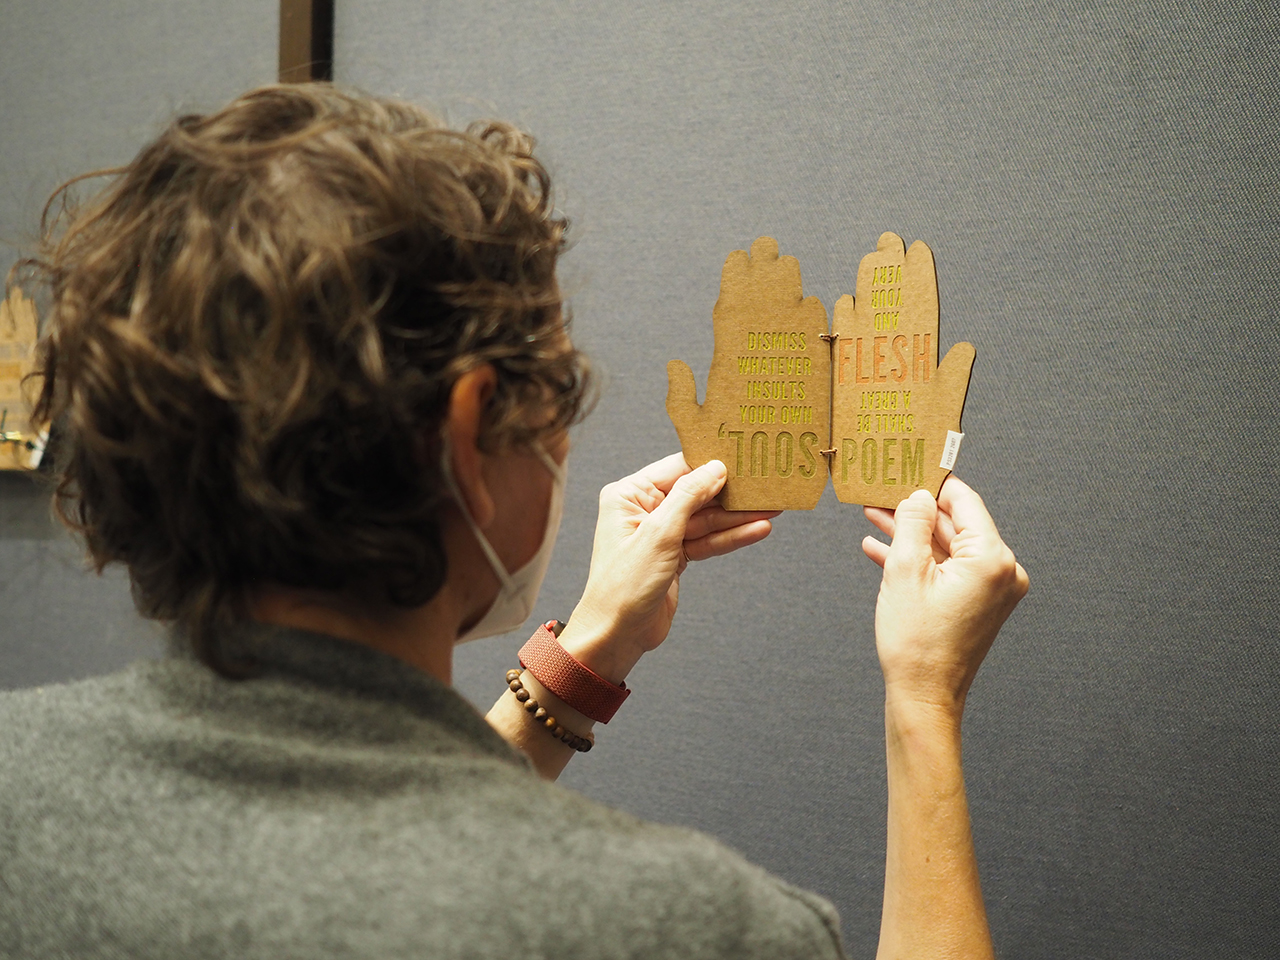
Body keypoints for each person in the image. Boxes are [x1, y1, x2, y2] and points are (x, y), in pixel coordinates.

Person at [0, 85, 1028, 959]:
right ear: (462, 440)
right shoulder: (684, 928)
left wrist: (588, 652)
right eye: (551, 399)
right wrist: (922, 706)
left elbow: (373, 850)